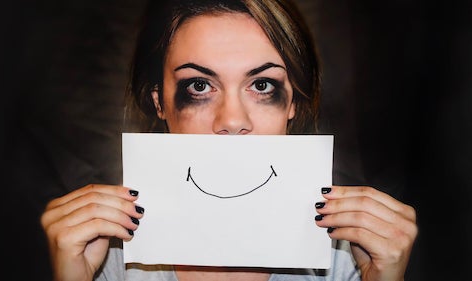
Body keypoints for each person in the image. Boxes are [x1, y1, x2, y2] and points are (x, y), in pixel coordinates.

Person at [41, 0, 418, 280]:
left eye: (262, 85)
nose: (232, 121)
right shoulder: (106, 257)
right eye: (200, 86)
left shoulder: (349, 258)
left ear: (293, 104)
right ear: (160, 103)